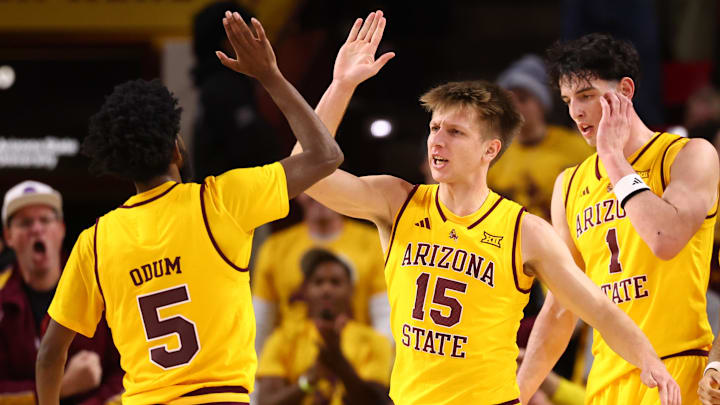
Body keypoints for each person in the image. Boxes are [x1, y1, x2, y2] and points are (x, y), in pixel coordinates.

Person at [294, 11, 679, 405]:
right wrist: (341, 85)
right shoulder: (397, 201)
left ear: (489, 150)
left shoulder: (524, 231)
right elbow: (306, 171)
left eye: (455, 132)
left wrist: (650, 361)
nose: (437, 141)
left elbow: (597, 307)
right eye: (434, 128)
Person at [35, 12, 343, 405]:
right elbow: (324, 155)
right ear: (176, 150)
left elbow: (49, 354)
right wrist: (270, 76)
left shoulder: (95, 241)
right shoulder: (220, 201)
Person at [516, 33, 719, 405]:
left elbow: (664, 239)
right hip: (604, 381)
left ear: (625, 90)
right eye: (568, 100)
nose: (576, 112)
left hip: (678, 373)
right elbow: (562, 305)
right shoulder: (571, 184)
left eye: (587, 95)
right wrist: (515, 395)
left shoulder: (688, 155)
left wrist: (613, 158)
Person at [0, 181, 123, 404]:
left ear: (61, 229)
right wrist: (57, 388)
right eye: (25, 223)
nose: (37, 229)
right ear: (8, 236)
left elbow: (131, 370)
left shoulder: (100, 283)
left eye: (45, 220)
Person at [252, 193, 389, 354]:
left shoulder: (374, 243)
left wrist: (370, 368)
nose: (321, 193)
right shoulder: (274, 249)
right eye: (313, 186)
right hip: (289, 370)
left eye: (327, 184)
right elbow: (260, 323)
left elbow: (385, 317)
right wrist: (262, 375)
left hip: (356, 367)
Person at [255, 248, 392, 405]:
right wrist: (308, 381)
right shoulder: (282, 339)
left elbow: (378, 402)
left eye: (335, 282)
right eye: (318, 282)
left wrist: (339, 362)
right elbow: (265, 402)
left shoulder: (374, 342)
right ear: (305, 290)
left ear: (351, 290)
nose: (326, 289)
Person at [490, 54, 593, 221]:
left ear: (541, 104)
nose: (515, 107)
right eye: (509, 101)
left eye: (523, 99)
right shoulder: (492, 154)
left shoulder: (577, 147)